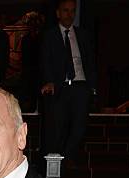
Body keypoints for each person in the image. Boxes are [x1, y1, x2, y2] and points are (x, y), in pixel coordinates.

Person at [40, 0, 96, 167]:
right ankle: (55, 163)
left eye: (72, 11)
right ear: (58, 13)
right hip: (60, 86)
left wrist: (92, 86)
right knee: (57, 128)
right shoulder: (49, 36)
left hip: (80, 85)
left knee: (79, 126)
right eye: (65, 11)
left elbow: (90, 61)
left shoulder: (83, 35)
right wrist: (49, 81)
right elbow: (45, 61)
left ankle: (66, 157)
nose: (69, 15)